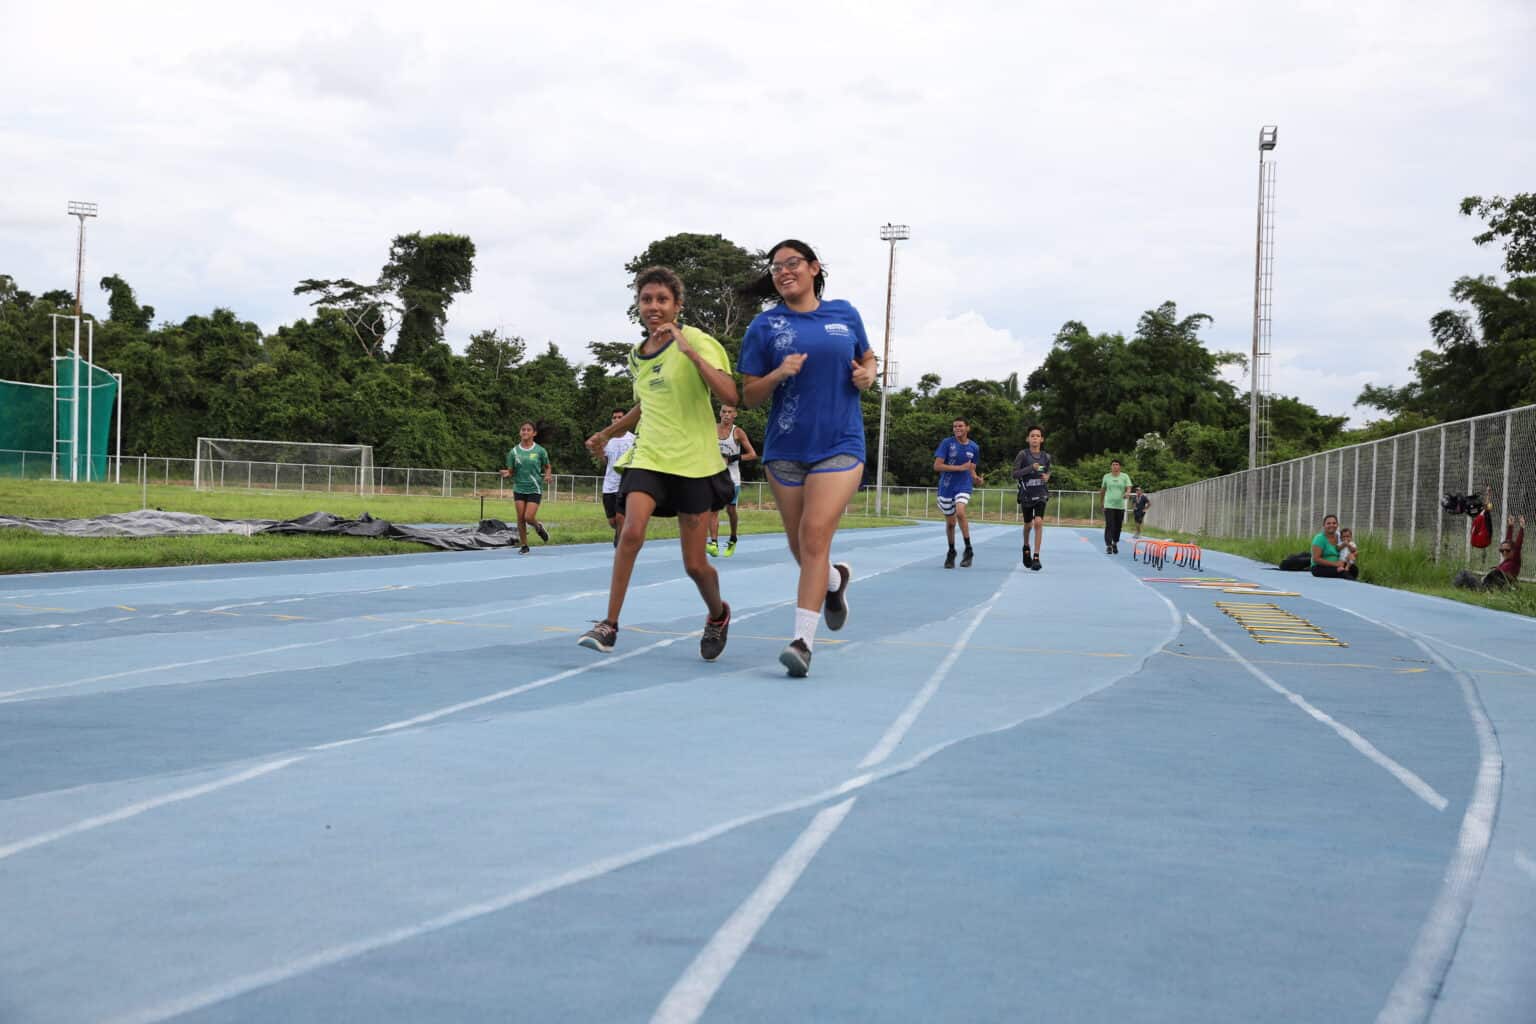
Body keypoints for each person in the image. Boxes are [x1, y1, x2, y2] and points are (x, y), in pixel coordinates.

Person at [577, 266, 737, 662]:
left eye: (662, 299)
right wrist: (608, 433)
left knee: (695, 565)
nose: (654, 306)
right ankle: (609, 624)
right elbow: (646, 403)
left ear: (677, 305)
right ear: (638, 305)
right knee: (630, 532)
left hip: (694, 462)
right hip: (649, 456)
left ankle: (718, 614)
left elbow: (730, 392)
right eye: (646, 299)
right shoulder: (637, 356)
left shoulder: (698, 340)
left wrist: (689, 350)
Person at [739, 238, 878, 677]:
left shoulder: (844, 314)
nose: (783, 271)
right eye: (776, 267)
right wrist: (779, 372)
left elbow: (868, 357)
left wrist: (868, 375)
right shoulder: (765, 327)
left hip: (840, 444)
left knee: (815, 534)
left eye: (792, 263)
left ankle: (802, 642)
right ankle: (834, 582)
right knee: (801, 545)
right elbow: (749, 395)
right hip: (786, 449)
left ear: (815, 267)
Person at [707, 404, 758, 558]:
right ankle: (714, 543)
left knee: (730, 510)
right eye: (724, 411)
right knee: (713, 510)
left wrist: (732, 458)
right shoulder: (712, 429)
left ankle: (733, 538)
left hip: (732, 478)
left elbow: (752, 454)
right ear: (719, 413)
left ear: (735, 414)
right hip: (715, 475)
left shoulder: (738, 432)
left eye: (730, 412)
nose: (726, 415)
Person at [934, 417, 983, 568]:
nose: (957, 429)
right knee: (950, 524)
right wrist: (958, 468)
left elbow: (971, 468)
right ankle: (951, 551)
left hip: (964, 485)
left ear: (967, 428)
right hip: (946, 487)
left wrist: (976, 478)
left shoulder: (974, 447)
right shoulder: (947, 443)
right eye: (955, 426)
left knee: (960, 511)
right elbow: (937, 466)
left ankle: (968, 550)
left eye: (960, 426)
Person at [500, 421, 552, 554]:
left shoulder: (540, 451)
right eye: (523, 429)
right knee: (520, 518)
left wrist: (547, 475)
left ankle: (538, 527)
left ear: (534, 433)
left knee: (529, 517)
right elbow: (511, 470)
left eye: (528, 430)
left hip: (534, 488)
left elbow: (547, 466)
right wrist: (508, 473)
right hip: (519, 488)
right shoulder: (514, 452)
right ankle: (524, 545)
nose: (525, 432)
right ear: (520, 432)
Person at [1012, 425, 1051, 571]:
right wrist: (1030, 468)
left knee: (1038, 522)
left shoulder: (1046, 457)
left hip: (1041, 493)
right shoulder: (1023, 455)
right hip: (1026, 495)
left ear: (1042, 439)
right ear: (1028, 439)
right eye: (1032, 436)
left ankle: (1036, 557)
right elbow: (1014, 474)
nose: (1035, 438)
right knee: (1028, 525)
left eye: (1037, 436)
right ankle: (1026, 546)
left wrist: (1047, 476)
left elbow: (1046, 471)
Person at [598, 407, 636, 547]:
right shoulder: (606, 440)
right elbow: (606, 461)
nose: (616, 420)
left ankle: (620, 545)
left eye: (620, 417)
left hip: (626, 484)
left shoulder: (633, 439)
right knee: (613, 521)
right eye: (614, 417)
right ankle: (620, 532)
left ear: (626, 419)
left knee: (621, 517)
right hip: (609, 485)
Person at [1455, 514, 1524, 590]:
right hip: (1486, 584)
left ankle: (1456, 590)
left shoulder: (1514, 561)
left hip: (1488, 588)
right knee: (1466, 575)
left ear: (1513, 551)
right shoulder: (1507, 561)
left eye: (1507, 551)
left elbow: (1517, 546)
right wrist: (1510, 526)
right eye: (1501, 551)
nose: (1504, 552)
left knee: (1464, 574)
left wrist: (1522, 528)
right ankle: (1459, 589)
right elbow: (1508, 543)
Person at [1309, 513, 1358, 579]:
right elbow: (1316, 559)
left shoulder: (1341, 536)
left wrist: (1353, 555)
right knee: (1343, 573)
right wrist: (1335, 564)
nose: (1331, 525)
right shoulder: (1319, 539)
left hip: (1339, 564)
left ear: (1337, 525)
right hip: (1319, 567)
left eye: (1334, 523)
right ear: (1324, 525)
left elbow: (1353, 549)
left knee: (1354, 570)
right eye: (1328, 523)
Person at [1099, 459, 1132, 554]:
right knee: (1109, 525)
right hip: (1109, 505)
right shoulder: (1106, 477)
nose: (1115, 466)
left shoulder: (1125, 476)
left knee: (1118, 526)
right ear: (1111, 466)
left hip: (1120, 506)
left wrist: (1127, 493)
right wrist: (1101, 503)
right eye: (1113, 464)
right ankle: (1108, 545)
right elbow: (1103, 490)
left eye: (1117, 464)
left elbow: (1129, 487)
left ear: (1120, 466)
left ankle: (1115, 543)